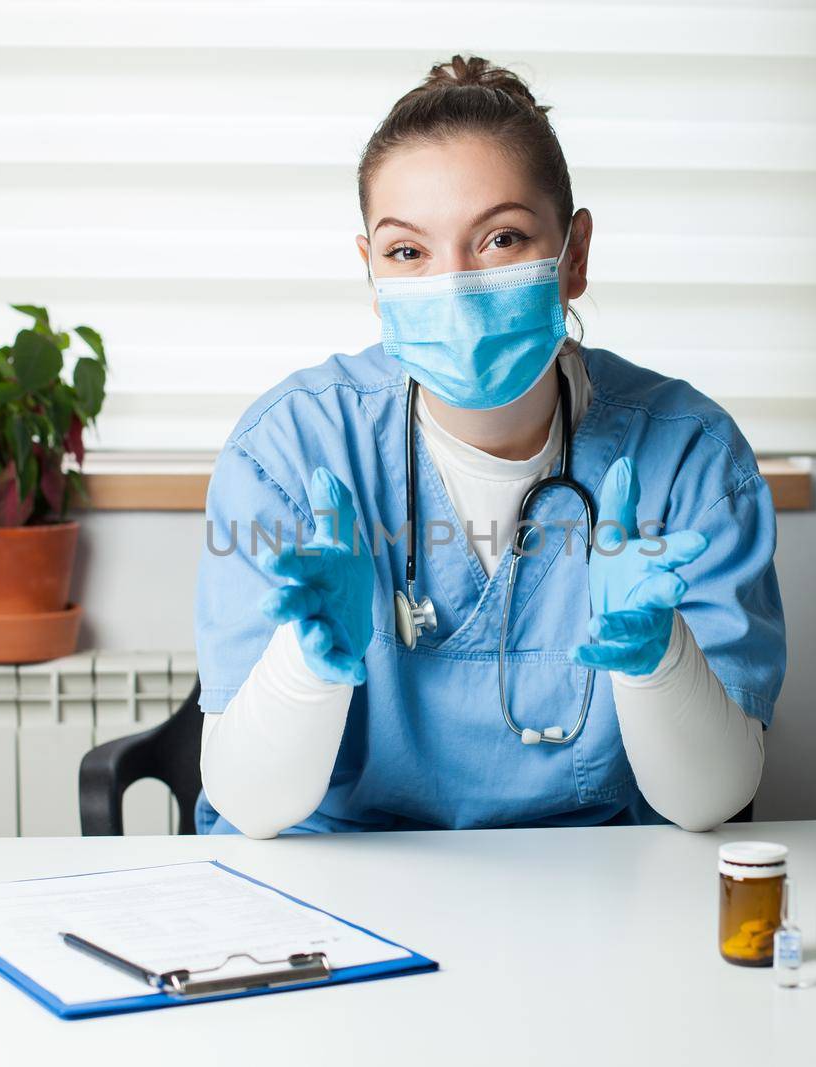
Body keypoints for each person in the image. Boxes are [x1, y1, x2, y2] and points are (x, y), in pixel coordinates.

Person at [193, 56, 785, 837]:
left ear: (573, 255)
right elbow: (249, 805)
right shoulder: (287, 454)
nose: (456, 286)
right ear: (371, 270)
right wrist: (308, 664)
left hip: (589, 896)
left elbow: (712, 799)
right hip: (340, 891)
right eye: (409, 252)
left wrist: (660, 659)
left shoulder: (692, 463)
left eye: (500, 239)